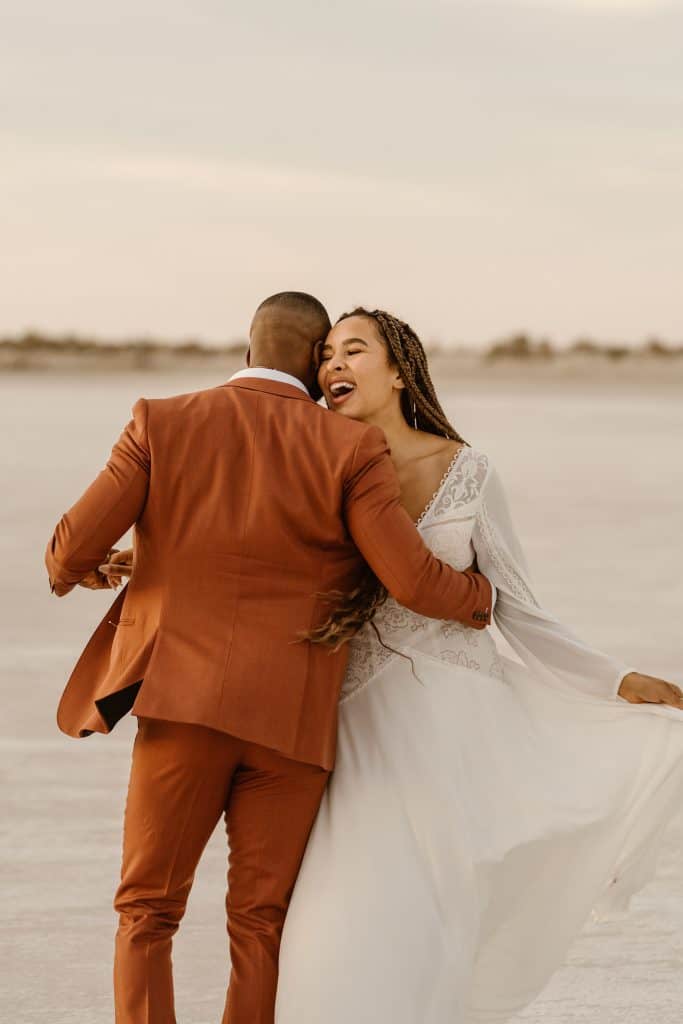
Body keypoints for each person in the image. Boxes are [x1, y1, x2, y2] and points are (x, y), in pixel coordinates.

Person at [97, 307, 683, 1023]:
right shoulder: (318, 457)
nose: (333, 366)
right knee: (325, 918)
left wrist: (612, 678)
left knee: (422, 903)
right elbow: (248, 553)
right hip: (337, 716)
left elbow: (516, 607)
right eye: (325, 356)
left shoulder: (463, 470)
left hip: (441, 720)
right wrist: (157, 561)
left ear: (399, 371)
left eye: (353, 350)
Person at [44, 292, 496, 1024]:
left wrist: (94, 566)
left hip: (183, 707)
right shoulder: (350, 447)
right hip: (294, 720)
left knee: (148, 912)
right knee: (260, 923)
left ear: (247, 347)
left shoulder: (161, 421)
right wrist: (484, 598)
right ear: (315, 367)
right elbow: (412, 581)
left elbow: (68, 554)